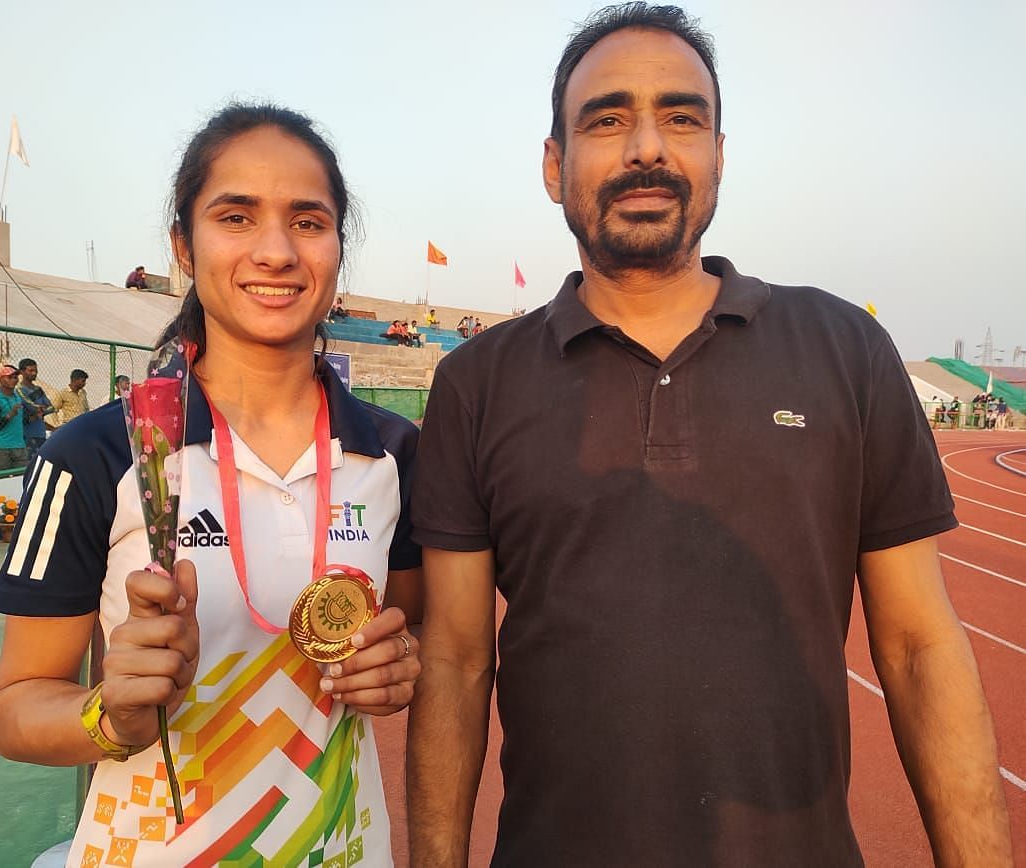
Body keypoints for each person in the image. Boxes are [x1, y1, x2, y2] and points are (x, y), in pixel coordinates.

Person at [405, 5, 1011, 867]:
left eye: (682, 117)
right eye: (607, 118)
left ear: (720, 155)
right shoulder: (477, 381)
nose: (646, 146)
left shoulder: (844, 349)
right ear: (554, 164)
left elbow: (918, 648)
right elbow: (459, 662)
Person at [0, 102, 423, 868]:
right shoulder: (93, 455)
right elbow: (15, 709)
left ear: (336, 248)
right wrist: (109, 717)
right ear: (184, 246)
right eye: (236, 217)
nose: (277, 251)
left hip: (342, 849)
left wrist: (394, 664)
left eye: (309, 221)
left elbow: (405, 629)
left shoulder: (393, 454)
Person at [15, 358, 56, 463]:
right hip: (27, 434)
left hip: (40, 433)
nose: (34, 373)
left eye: (35, 371)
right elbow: (32, 406)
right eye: (31, 370)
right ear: (22, 372)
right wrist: (39, 410)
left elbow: (51, 407)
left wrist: (37, 412)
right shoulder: (19, 389)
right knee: (29, 464)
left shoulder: (38, 389)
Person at [0, 364, 26, 471]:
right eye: (10, 377)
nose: (14, 380)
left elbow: (20, 419)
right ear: (0, 379)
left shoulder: (17, 397)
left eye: (15, 377)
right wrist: (10, 415)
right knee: (2, 480)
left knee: (20, 479)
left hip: (19, 445)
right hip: (2, 447)